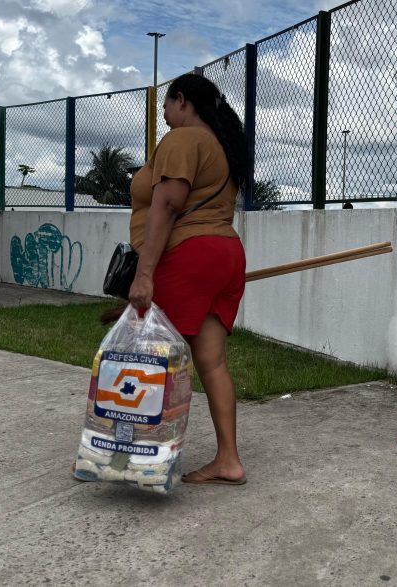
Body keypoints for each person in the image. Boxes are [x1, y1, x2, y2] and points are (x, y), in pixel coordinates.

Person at [127, 73, 252, 486]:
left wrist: (144, 274)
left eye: (166, 105)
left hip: (189, 256)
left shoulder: (183, 140)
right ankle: (228, 460)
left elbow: (166, 204)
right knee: (211, 363)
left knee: (150, 359)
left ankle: (136, 459)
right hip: (226, 256)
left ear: (183, 102)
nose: (163, 115)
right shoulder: (220, 146)